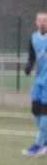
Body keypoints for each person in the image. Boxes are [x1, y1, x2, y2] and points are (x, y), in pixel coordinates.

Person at [22, 11, 47, 156]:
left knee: (45, 115)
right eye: (40, 20)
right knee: (35, 110)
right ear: (36, 22)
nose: (42, 22)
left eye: (45, 20)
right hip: (39, 80)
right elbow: (32, 56)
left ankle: (37, 144)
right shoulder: (33, 38)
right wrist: (29, 66)